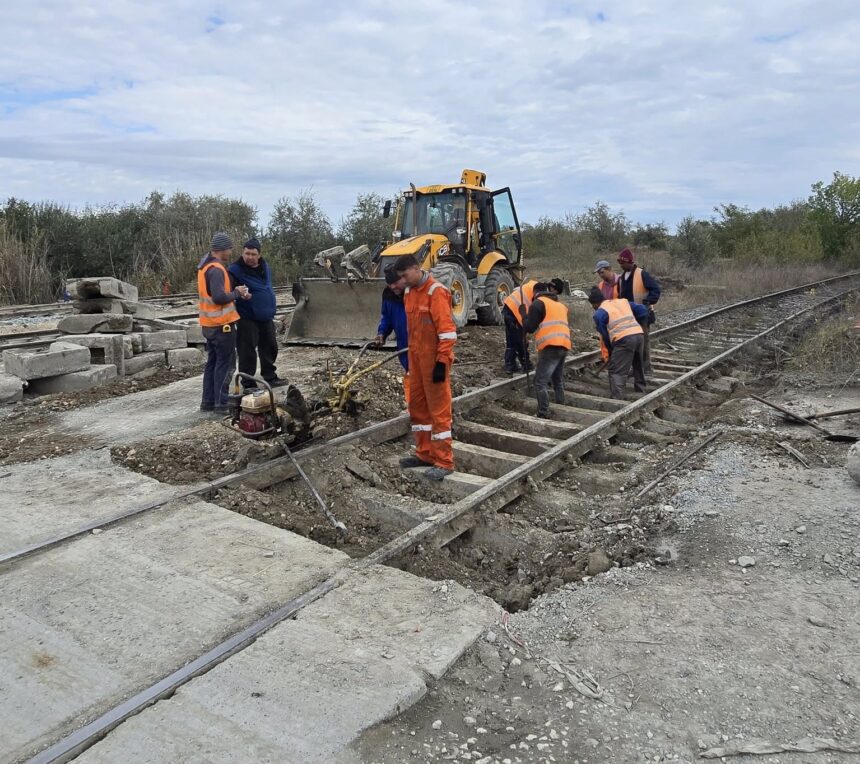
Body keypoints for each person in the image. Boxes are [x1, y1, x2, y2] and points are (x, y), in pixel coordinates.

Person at [394, 253, 457, 480]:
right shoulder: (410, 292)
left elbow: (447, 333)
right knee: (418, 409)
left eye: (404, 275)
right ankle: (425, 454)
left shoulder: (436, 291)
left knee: (438, 411)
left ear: (416, 268)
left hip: (433, 363)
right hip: (417, 361)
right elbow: (413, 332)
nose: (402, 281)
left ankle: (444, 461)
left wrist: (442, 362)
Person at [198, 232, 250, 412]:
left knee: (212, 363)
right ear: (222, 249)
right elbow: (220, 297)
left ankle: (208, 402)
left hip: (210, 325)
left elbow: (214, 294)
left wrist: (234, 290)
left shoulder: (205, 267)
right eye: (229, 249)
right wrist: (236, 294)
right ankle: (222, 403)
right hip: (222, 326)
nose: (230, 252)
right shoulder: (217, 270)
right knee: (225, 364)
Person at [228, 237, 286, 389]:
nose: (249, 257)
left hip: (266, 315)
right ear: (242, 253)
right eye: (247, 253)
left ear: (259, 255)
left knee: (270, 347)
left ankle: (270, 377)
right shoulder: (235, 270)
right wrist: (238, 293)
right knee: (247, 351)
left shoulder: (264, 266)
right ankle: (248, 383)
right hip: (248, 316)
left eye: (253, 254)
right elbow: (228, 291)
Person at [588, 287, 649, 399]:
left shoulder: (599, 313)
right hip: (639, 335)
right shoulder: (623, 302)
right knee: (638, 366)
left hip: (623, 339)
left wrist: (611, 349)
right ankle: (641, 391)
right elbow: (643, 310)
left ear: (595, 304)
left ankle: (617, 399)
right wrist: (638, 324)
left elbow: (605, 335)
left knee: (616, 371)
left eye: (593, 306)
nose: (594, 309)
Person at [523, 282, 571, 418]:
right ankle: (561, 404)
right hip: (564, 344)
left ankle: (544, 412)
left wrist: (524, 316)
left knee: (540, 382)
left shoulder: (538, 303)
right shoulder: (560, 305)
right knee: (557, 378)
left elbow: (530, 327)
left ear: (535, 293)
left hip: (550, 346)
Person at [501, 276, 565, 374]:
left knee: (512, 340)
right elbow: (534, 313)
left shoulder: (536, 286)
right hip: (515, 312)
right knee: (520, 341)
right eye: (556, 293)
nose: (554, 296)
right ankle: (526, 365)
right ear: (553, 289)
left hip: (508, 307)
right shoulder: (541, 293)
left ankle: (510, 365)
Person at [616, 248, 661, 373]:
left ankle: (646, 368)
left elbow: (655, 290)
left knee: (643, 342)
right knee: (631, 342)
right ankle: (635, 367)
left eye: (623, 263)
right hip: (628, 316)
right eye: (620, 264)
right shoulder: (621, 278)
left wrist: (647, 301)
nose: (621, 266)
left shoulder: (642, 274)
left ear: (630, 262)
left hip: (643, 315)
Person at [374, 267, 409, 373]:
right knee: (411, 378)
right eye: (390, 284)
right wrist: (382, 333)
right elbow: (387, 317)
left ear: (404, 279)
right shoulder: (389, 294)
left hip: (421, 347)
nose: (393, 286)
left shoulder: (415, 293)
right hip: (403, 345)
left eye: (395, 282)